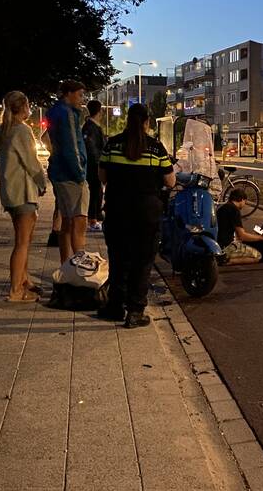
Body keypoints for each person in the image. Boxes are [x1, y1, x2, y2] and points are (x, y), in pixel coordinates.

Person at [99, 103, 176, 328]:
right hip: (146, 214)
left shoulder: (112, 144)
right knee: (142, 263)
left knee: (119, 260)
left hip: (116, 212)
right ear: (146, 122)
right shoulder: (155, 148)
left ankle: (115, 307)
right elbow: (170, 181)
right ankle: (135, 312)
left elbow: (102, 177)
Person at [0, 91, 46, 302]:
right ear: (23, 107)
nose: (29, 109)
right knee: (22, 242)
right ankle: (16, 290)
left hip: (9, 191)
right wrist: (42, 183)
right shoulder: (22, 131)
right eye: (28, 105)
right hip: (23, 192)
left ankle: (25, 280)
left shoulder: (1, 131)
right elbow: (31, 162)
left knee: (22, 239)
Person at [47, 80, 89, 263]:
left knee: (66, 222)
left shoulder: (55, 111)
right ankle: (79, 267)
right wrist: (80, 175)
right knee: (79, 222)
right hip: (71, 175)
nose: (82, 99)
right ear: (69, 94)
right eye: (80, 94)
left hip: (59, 173)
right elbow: (71, 146)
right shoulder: (68, 114)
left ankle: (66, 265)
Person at [216, 189, 263, 265]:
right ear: (241, 199)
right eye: (245, 202)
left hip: (217, 244)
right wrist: (261, 237)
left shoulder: (222, 208)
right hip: (226, 247)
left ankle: (224, 258)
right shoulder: (234, 210)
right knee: (257, 256)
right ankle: (226, 261)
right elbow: (242, 236)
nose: (244, 205)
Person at [82, 99, 106, 232]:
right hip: (94, 166)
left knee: (97, 191)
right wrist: (99, 162)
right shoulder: (91, 127)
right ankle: (92, 219)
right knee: (95, 191)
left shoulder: (91, 126)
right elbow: (91, 148)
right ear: (99, 111)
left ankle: (94, 217)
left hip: (95, 165)